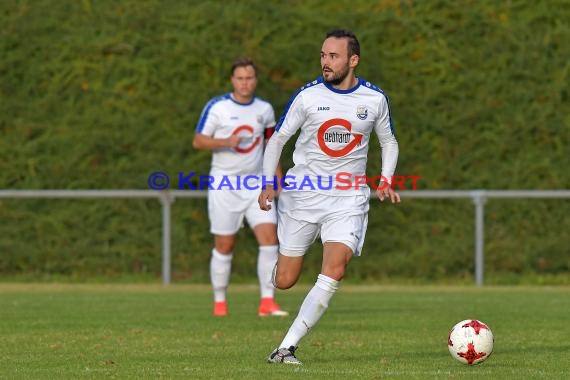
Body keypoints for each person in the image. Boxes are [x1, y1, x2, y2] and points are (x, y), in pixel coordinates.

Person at [258, 29, 400, 364]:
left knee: (336, 268)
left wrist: (386, 178)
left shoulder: (374, 99)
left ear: (353, 60)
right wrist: (268, 183)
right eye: (323, 55)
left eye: (333, 56)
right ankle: (275, 267)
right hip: (302, 197)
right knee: (285, 281)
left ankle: (286, 347)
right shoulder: (307, 97)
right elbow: (277, 141)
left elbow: (389, 141)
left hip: (348, 198)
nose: (325, 62)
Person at [193, 57, 288, 317]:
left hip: (256, 184)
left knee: (270, 240)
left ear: (255, 80)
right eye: (240, 78)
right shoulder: (218, 107)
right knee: (224, 245)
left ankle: (267, 302)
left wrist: (276, 180)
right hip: (224, 185)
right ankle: (220, 303)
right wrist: (226, 141)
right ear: (232, 80)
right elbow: (199, 141)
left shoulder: (265, 109)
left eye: (249, 78)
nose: (245, 83)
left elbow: (272, 146)